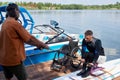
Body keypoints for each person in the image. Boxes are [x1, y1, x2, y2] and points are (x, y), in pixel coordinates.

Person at [0, 3, 49, 80]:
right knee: (23, 78)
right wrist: (42, 44)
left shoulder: (4, 23)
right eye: (18, 11)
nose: (19, 13)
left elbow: (25, 39)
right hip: (14, 60)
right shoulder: (15, 24)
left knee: (8, 77)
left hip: (3, 59)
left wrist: (37, 44)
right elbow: (29, 39)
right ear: (16, 11)